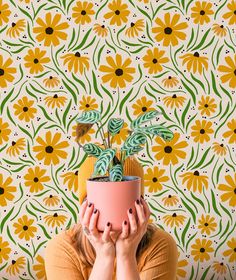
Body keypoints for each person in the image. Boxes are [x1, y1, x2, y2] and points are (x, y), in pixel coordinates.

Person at [44, 194, 178, 280]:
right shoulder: (62, 247)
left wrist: (126, 256)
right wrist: (104, 256)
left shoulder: (160, 244)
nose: (113, 208)